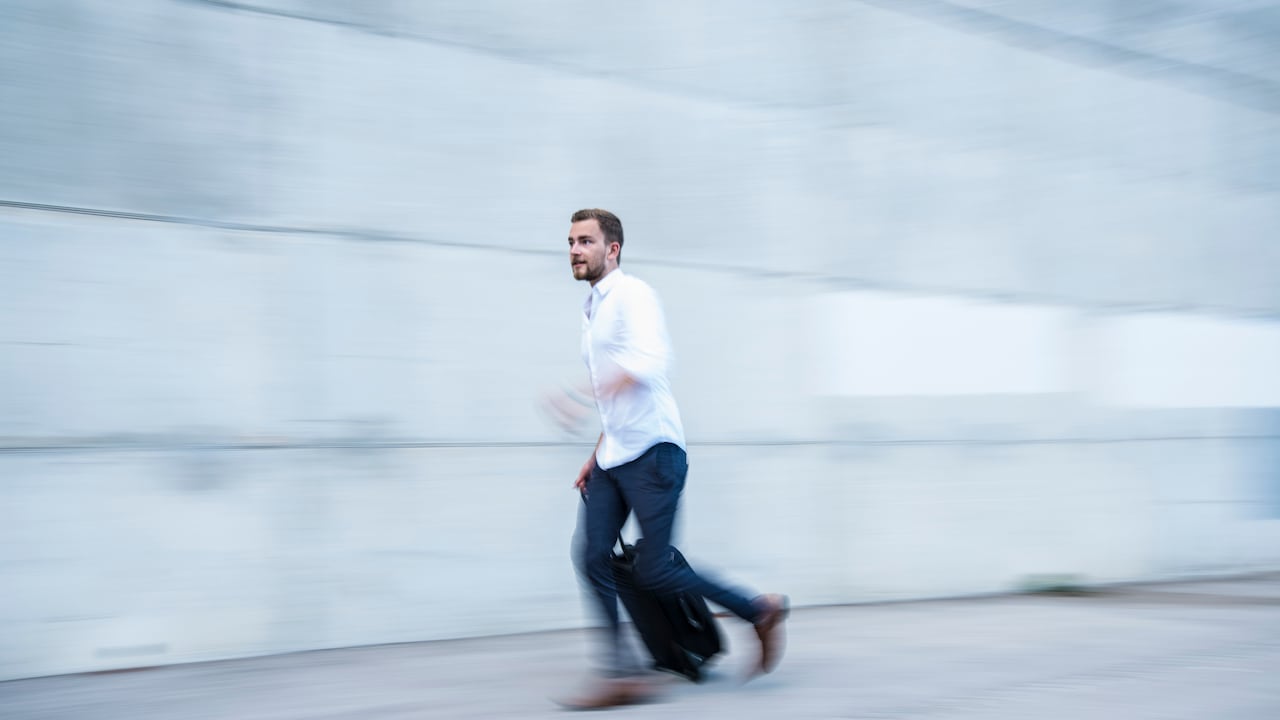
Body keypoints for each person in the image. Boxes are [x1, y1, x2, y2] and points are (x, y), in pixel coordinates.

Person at [557, 208, 788, 710]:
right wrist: (597, 452)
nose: (574, 250)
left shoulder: (633, 294)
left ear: (612, 249)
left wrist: (581, 394)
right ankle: (620, 675)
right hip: (615, 456)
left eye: (585, 241)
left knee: (655, 569)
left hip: (654, 453)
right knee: (592, 556)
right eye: (571, 241)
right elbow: (618, 399)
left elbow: (652, 361)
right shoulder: (592, 308)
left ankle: (759, 609)